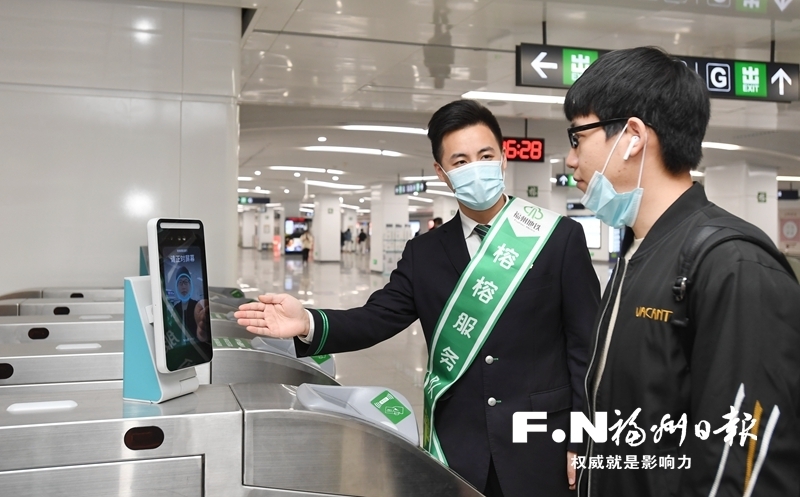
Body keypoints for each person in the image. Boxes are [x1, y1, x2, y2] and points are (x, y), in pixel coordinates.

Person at [235, 99, 600, 497]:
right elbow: (376, 318)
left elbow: (586, 348)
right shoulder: (424, 252)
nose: (476, 168)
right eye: (460, 161)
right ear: (442, 173)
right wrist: (307, 322)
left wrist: (582, 438)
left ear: (503, 159)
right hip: (460, 438)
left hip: (541, 438)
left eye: (485, 156)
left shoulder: (557, 238)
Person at [563, 46, 800, 496]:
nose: (571, 159)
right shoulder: (638, 254)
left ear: (632, 136)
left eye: (578, 137)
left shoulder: (731, 265)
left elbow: (745, 462)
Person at [172, 265, 207, 341]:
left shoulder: (197, 306)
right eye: (180, 282)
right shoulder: (175, 308)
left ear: (190, 284)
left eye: (185, 282)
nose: (183, 286)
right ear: (177, 286)